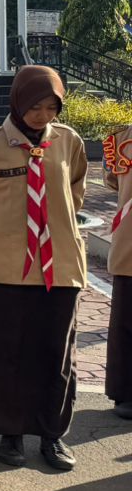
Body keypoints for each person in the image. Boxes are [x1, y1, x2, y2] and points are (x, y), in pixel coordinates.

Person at [0, 65, 89, 470]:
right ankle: (9, 432)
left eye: (51, 107)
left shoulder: (68, 141)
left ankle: (52, 435)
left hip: (59, 266)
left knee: (55, 353)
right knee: (5, 352)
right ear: (18, 102)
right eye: (35, 106)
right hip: (3, 269)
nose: (42, 115)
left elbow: (76, 189)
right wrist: (1, 231)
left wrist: (55, 228)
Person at [105, 122, 132, 420]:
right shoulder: (120, 138)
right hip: (130, 242)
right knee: (127, 320)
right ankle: (126, 391)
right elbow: (112, 180)